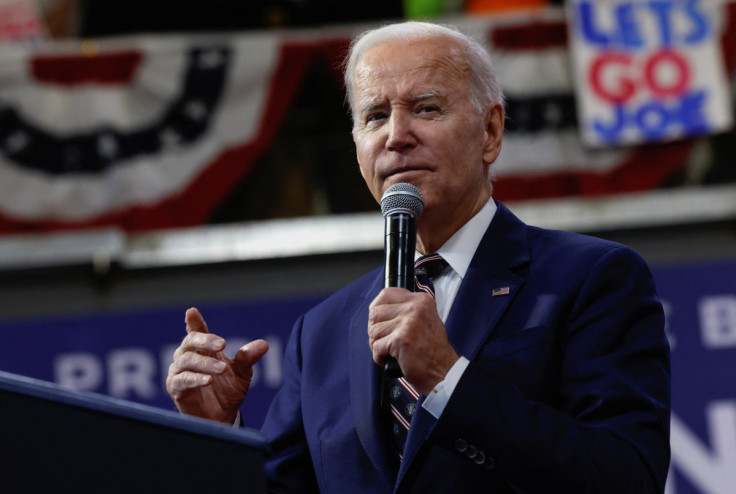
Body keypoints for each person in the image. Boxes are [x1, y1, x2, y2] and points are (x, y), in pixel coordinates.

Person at [166, 21, 670, 493]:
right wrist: (218, 434)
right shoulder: (320, 331)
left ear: (490, 133)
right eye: (375, 116)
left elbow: (627, 475)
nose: (396, 135)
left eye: (426, 108)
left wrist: (447, 377)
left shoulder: (590, 278)